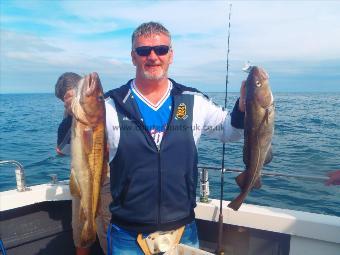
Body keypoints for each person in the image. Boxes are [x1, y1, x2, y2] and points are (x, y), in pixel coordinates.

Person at [64, 21, 246, 255]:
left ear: (171, 55)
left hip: (183, 230)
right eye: (143, 51)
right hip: (127, 235)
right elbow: (73, 149)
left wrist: (242, 108)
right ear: (133, 57)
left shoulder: (191, 101)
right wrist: (72, 115)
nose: (153, 56)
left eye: (161, 49)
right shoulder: (109, 105)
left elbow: (229, 131)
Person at [55, 72, 111, 255]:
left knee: (108, 230)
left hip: (107, 179)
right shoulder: (68, 122)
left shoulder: (107, 111)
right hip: (83, 178)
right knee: (81, 230)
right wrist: (72, 116)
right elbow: (61, 149)